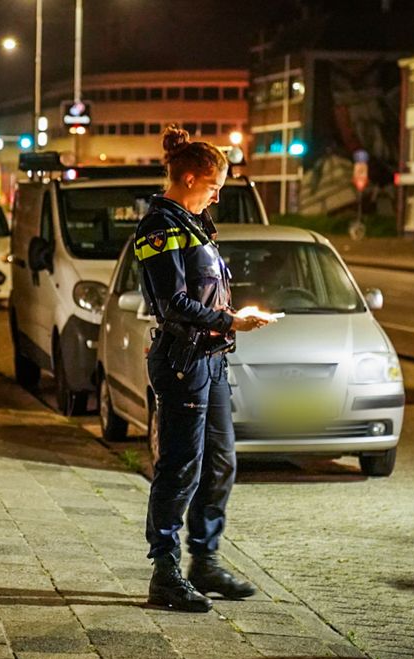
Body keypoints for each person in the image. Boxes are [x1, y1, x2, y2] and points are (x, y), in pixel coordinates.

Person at [135, 125, 272, 613]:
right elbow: (172, 302)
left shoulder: (194, 224)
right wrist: (230, 318)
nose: (217, 195)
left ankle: (205, 560)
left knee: (220, 462)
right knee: (180, 466)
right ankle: (165, 571)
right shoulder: (159, 227)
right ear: (191, 177)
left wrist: (229, 322)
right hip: (182, 362)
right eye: (214, 186)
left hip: (210, 360)